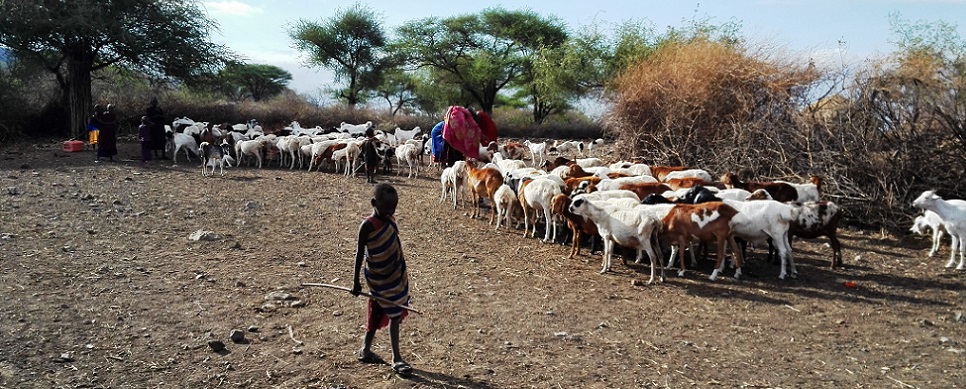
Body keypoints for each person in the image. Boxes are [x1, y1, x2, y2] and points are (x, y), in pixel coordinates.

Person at [351, 183, 413, 375]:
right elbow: (360, 254)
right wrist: (355, 282)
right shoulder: (367, 226)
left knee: (391, 314)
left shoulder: (390, 221)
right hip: (377, 280)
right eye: (386, 208)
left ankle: (366, 351)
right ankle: (396, 359)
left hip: (395, 278)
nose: (390, 212)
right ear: (373, 203)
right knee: (378, 313)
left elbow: (395, 245)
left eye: (393, 208)